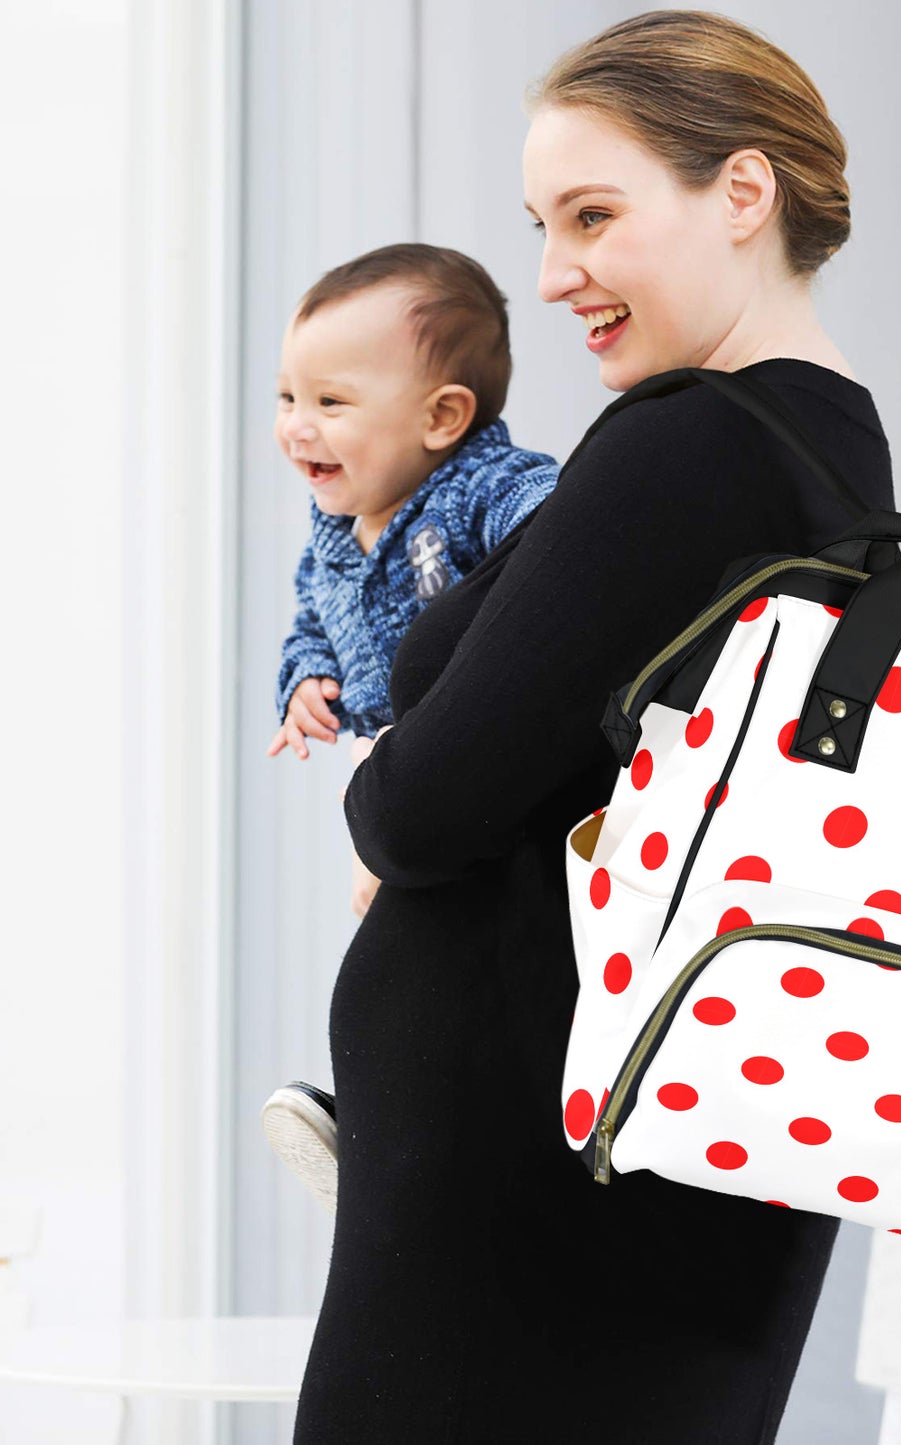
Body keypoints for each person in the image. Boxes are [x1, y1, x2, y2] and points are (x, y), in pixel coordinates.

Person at [291, 11, 896, 1442]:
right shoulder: (834, 450)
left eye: (595, 215)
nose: (555, 274)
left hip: (529, 1235)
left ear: (742, 193)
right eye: (543, 224)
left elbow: (432, 803)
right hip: (647, 1198)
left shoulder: (695, 443)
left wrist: (379, 783)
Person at [261, 245, 558, 1207]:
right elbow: (313, 615)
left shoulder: (475, 486)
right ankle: (388, 1122)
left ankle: (411, 1125)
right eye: (286, 397)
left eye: (330, 403)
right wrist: (305, 678)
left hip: (465, 762)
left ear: (443, 418)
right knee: (402, 940)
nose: (296, 427)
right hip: (386, 771)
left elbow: (556, 519)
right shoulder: (333, 524)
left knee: (441, 944)